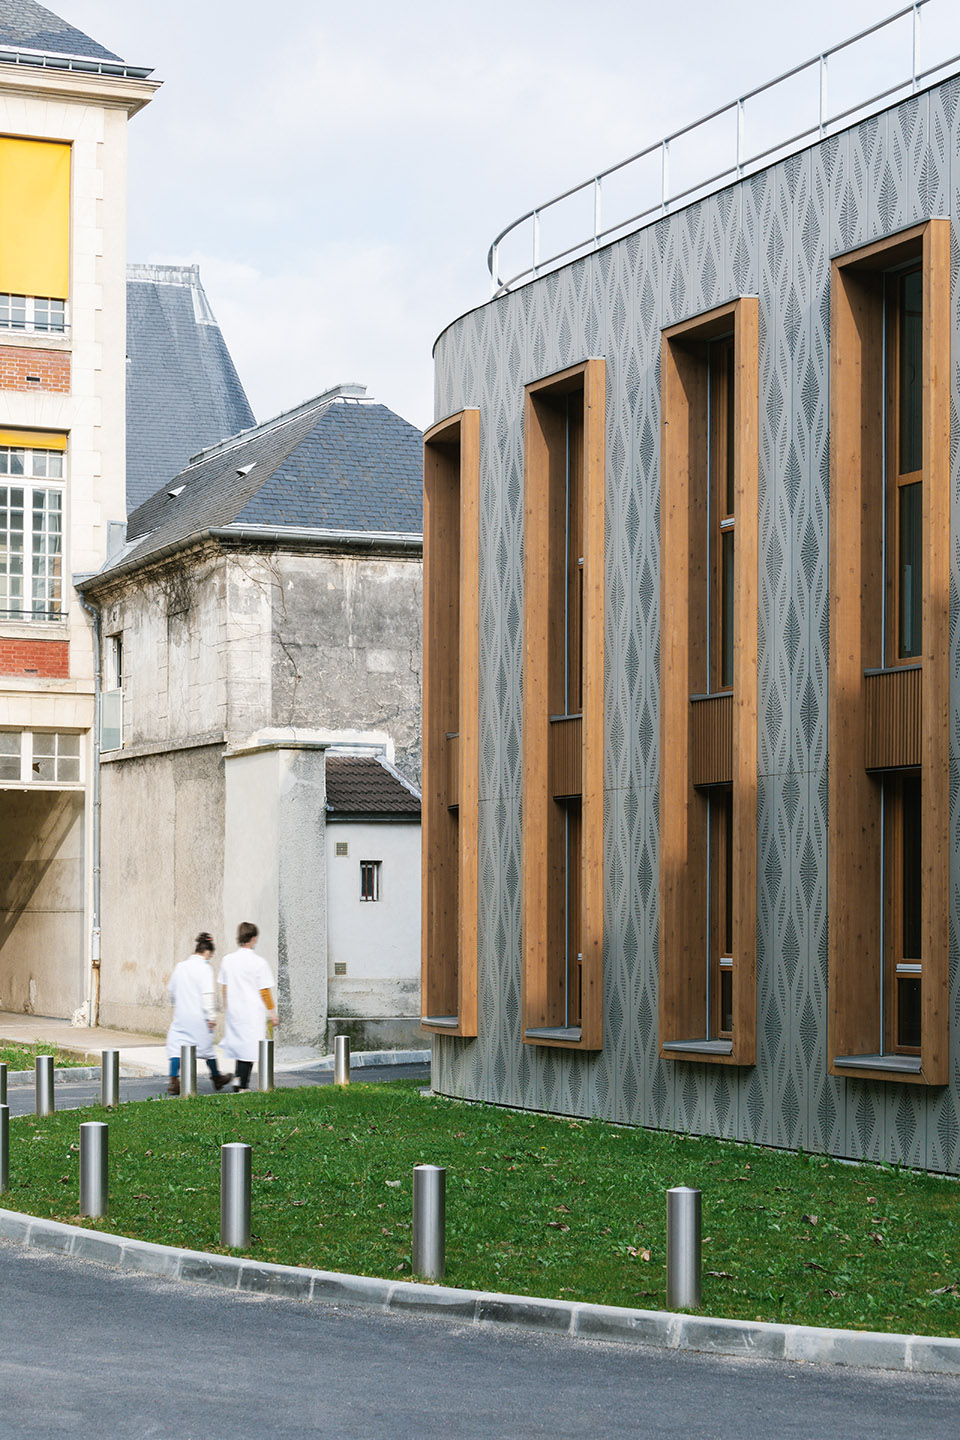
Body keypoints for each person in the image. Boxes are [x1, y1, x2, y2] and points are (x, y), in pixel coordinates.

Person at [165, 932, 231, 1095]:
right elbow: (207, 994)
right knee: (207, 1048)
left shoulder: (180, 966)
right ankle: (216, 1077)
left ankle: (174, 1082)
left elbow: (172, 991)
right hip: (198, 1017)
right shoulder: (205, 969)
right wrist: (212, 1016)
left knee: (175, 1047)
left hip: (181, 1015)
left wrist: (178, 1005)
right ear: (208, 953)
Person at [218, 921, 279, 1091]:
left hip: (235, 1011)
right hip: (252, 1011)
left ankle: (239, 1081)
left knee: (241, 1049)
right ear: (253, 939)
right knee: (250, 1049)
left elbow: (224, 986)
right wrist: (272, 1013)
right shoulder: (259, 962)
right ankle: (241, 1085)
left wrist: (226, 1006)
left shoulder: (227, 960)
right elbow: (264, 991)